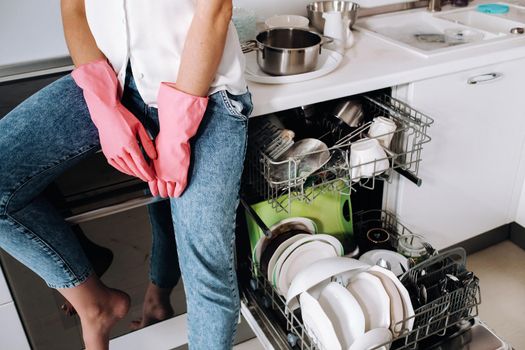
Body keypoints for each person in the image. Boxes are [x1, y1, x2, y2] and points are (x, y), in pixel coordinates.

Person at [0, 0, 252, 348]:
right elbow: (73, 8)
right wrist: (104, 109)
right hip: (112, 80)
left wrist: (177, 132)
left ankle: (156, 293)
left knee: (206, 274)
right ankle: (95, 305)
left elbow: (216, 9)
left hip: (204, 87)